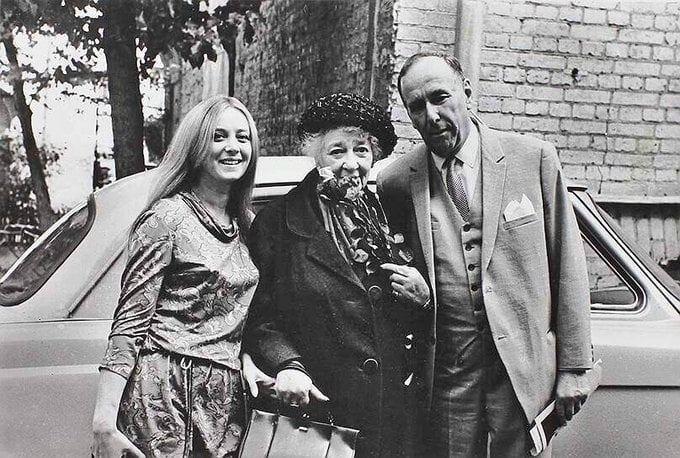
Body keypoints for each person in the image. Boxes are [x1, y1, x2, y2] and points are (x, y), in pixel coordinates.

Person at [377, 52, 594, 457]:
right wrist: (420, 300)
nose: (432, 115)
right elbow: (398, 283)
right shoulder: (395, 182)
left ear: (467, 92)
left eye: (440, 97)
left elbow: (568, 265)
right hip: (449, 379)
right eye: (417, 107)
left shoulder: (534, 159)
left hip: (523, 375)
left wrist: (574, 367)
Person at [243, 93, 430, 457]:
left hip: (388, 415)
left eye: (361, 150)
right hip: (316, 412)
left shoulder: (389, 216)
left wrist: (423, 300)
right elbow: (258, 316)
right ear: (316, 156)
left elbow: (407, 316)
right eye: (337, 151)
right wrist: (287, 365)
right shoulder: (278, 223)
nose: (351, 163)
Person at [91, 95, 274, 458]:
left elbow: (244, 318)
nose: (233, 147)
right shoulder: (166, 218)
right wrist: (104, 422)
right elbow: (130, 323)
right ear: (195, 145)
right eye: (218, 136)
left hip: (224, 404)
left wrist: (247, 358)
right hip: (164, 394)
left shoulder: (248, 226)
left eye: (243, 138)